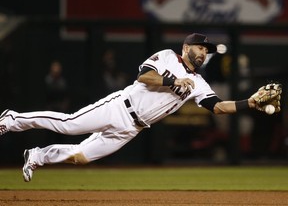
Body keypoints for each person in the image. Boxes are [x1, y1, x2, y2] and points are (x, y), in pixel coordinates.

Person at [0, 33, 262, 182]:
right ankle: (11, 119)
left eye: (207, 50)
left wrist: (249, 102)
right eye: (200, 47)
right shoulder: (168, 57)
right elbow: (144, 77)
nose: (204, 53)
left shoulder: (199, 82)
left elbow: (217, 107)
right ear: (186, 47)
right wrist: (172, 80)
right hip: (119, 107)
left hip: (132, 128)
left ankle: (36, 156)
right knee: (69, 124)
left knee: (81, 157)